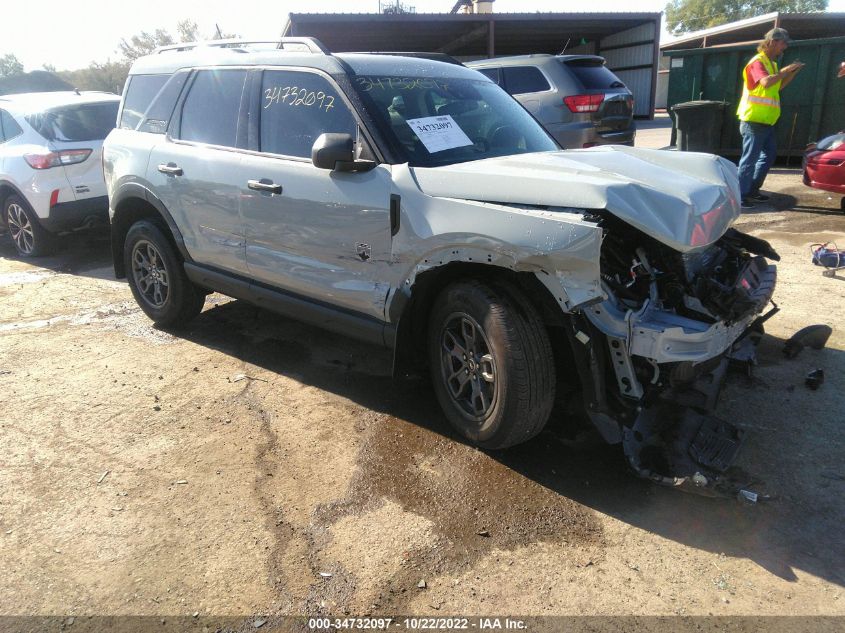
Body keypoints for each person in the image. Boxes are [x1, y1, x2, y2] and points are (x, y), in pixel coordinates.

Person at [736, 27, 804, 209]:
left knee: (768, 155)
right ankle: (739, 196)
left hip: (766, 121)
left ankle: (751, 191)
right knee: (749, 159)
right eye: (783, 43)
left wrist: (792, 72)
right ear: (772, 41)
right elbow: (766, 82)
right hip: (754, 120)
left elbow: (778, 86)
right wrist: (785, 70)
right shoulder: (757, 62)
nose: (785, 47)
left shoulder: (772, 65)